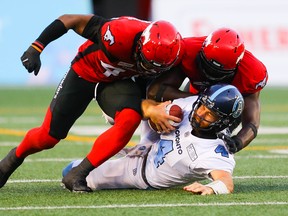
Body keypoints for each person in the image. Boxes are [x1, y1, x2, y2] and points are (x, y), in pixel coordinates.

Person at [0, 14, 182, 192]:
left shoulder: (174, 50)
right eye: (147, 63)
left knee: (130, 118)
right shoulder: (120, 33)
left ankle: (78, 173)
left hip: (115, 82)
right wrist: (37, 47)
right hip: (84, 72)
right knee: (48, 137)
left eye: (156, 67)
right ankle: (9, 162)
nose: (149, 69)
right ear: (140, 45)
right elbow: (70, 20)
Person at [62, 83, 244, 195]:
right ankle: (114, 111)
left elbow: (226, 182)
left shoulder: (215, 152)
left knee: (70, 171)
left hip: (141, 174)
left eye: (210, 114)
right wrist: (156, 114)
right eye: (203, 105)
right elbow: (154, 105)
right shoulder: (190, 106)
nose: (200, 113)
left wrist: (211, 188)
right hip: (153, 142)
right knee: (150, 106)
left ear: (223, 122)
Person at [147, 27, 268, 154]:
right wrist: (196, 100)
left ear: (236, 66)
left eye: (215, 72)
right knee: (168, 112)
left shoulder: (252, 72)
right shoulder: (188, 49)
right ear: (202, 51)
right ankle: (148, 145)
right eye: (206, 65)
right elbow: (155, 91)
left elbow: (252, 122)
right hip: (194, 93)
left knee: (208, 142)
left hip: (224, 108)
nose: (208, 73)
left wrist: (238, 142)